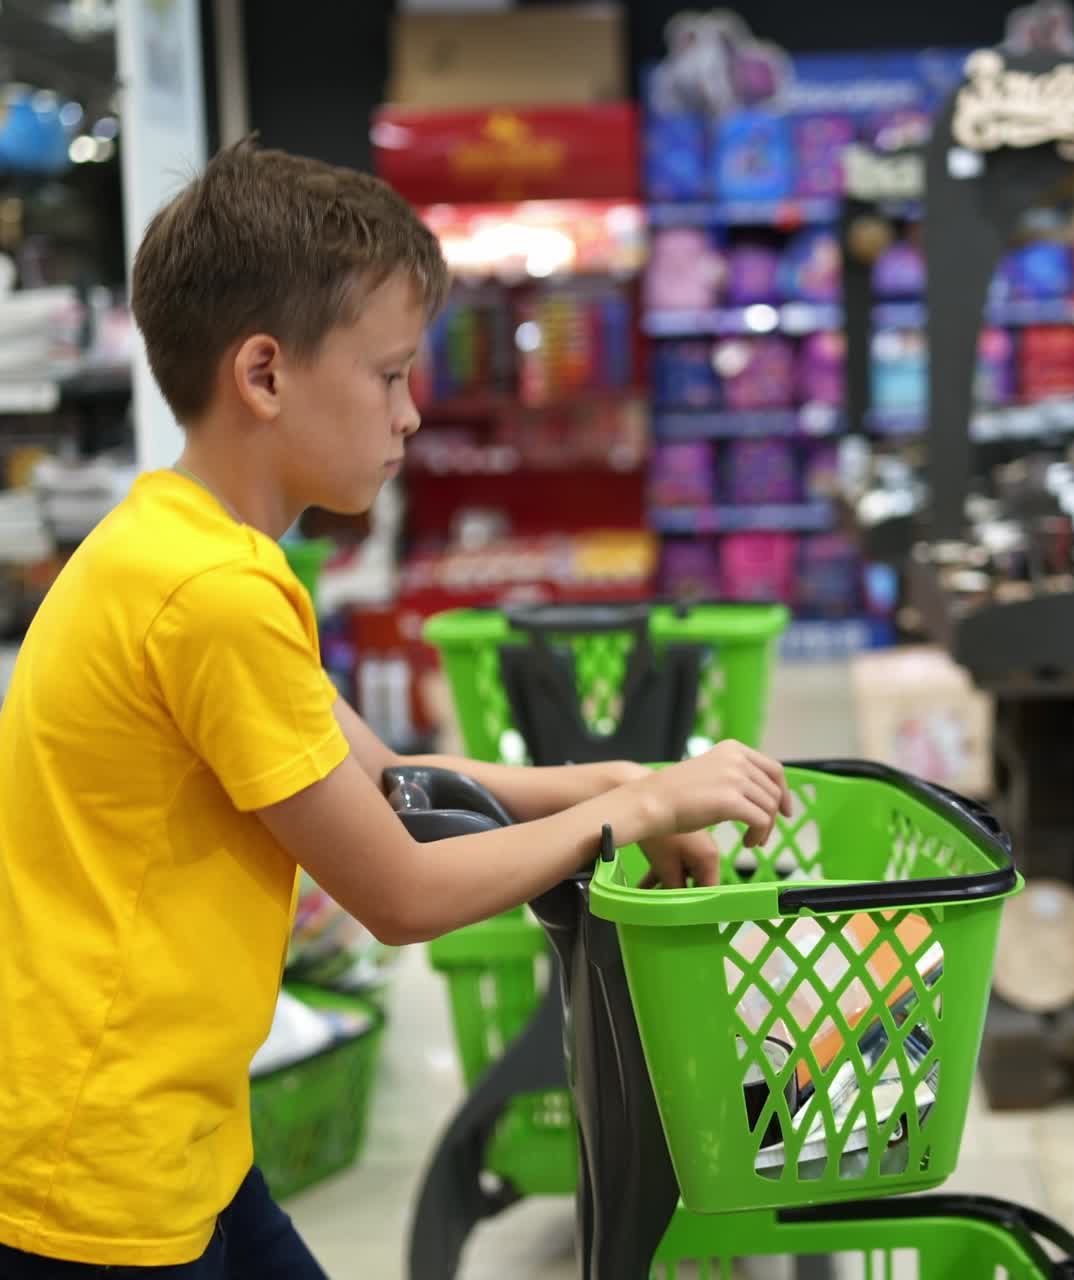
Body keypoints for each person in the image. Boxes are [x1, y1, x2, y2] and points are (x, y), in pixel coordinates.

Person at [0, 140, 791, 1278]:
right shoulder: (211, 595)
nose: (410, 414)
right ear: (264, 375)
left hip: (174, 1129)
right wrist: (632, 807)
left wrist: (616, 782)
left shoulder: (174, 545)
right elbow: (399, 889)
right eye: (386, 375)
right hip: (97, 1175)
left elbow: (386, 785)